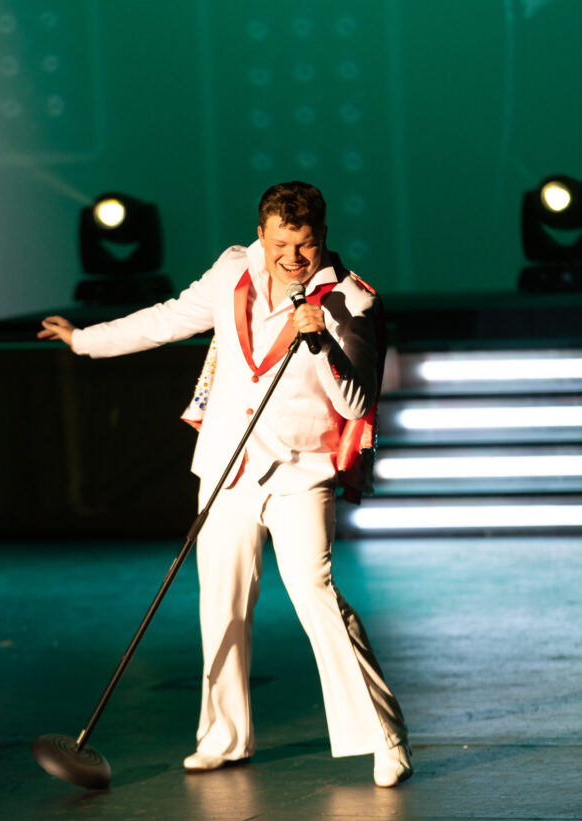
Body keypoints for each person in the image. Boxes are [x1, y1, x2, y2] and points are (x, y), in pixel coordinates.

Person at [39, 181, 411, 786]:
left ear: (323, 239)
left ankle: (385, 736)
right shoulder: (230, 273)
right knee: (223, 603)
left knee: (316, 596)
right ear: (261, 233)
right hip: (227, 468)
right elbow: (165, 321)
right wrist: (83, 340)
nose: (293, 258)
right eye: (282, 243)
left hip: (299, 472)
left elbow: (357, 398)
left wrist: (319, 342)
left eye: (307, 245)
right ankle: (223, 737)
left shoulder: (349, 301)